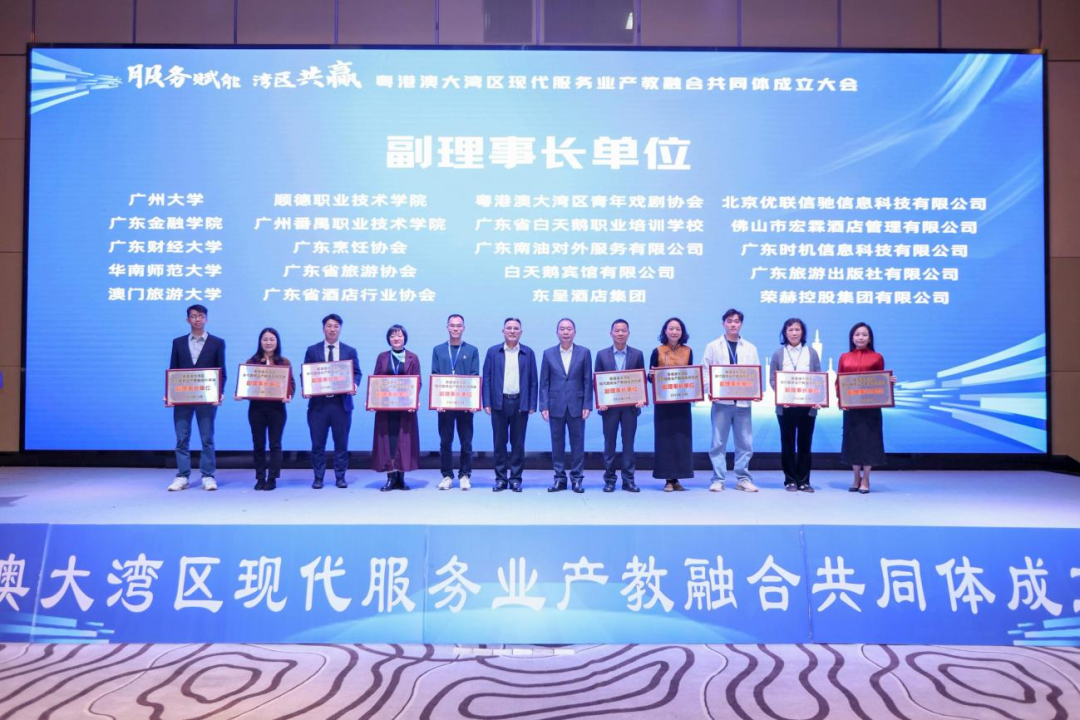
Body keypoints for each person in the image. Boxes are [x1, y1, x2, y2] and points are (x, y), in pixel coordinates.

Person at [167, 304, 226, 492]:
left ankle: (208, 476)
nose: (197, 319)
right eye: (193, 316)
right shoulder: (178, 342)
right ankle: (182, 476)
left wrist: (219, 393)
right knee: (181, 439)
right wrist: (169, 394)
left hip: (207, 398)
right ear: (188, 320)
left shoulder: (217, 342)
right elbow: (173, 371)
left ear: (206, 319)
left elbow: (221, 372)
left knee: (207, 438)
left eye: (201, 316)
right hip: (183, 398)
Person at [702, 308, 761, 493]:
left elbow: (755, 373)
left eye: (736, 321)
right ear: (723, 324)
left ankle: (743, 479)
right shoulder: (713, 346)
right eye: (729, 321)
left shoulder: (750, 348)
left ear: (741, 324)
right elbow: (705, 372)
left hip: (743, 403)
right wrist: (711, 391)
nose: (733, 324)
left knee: (745, 443)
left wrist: (756, 391)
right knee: (718, 443)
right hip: (721, 403)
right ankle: (718, 479)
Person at [303, 313, 361, 489]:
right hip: (318, 406)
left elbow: (357, 373)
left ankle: (340, 477)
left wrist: (354, 385)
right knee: (317, 444)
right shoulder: (312, 350)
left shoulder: (349, 351)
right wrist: (307, 387)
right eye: (329, 326)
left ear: (340, 329)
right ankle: (318, 478)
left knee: (341, 443)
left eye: (336, 326)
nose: (332, 329)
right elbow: (306, 373)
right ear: (323, 329)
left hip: (341, 405)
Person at [481, 317, 538, 493]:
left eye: (515, 328)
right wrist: (487, 402)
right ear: (503, 331)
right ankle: (500, 479)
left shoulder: (528, 353)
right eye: (509, 328)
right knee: (499, 443)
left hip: (520, 403)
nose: (512, 331)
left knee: (518, 444)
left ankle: (515, 479)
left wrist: (532, 403)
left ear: (521, 332)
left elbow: (533, 380)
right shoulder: (493, 352)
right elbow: (487, 378)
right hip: (499, 402)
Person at [837, 322, 893, 494]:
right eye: (857, 334)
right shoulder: (844, 357)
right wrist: (841, 401)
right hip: (851, 407)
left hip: (871, 408)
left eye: (864, 334)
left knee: (869, 441)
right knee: (853, 441)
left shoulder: (877, 357)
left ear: (869, 338)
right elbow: (839, 380)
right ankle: (856, 477)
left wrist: (888, 382)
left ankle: (866, 478)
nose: (860, 337)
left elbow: (880, 380)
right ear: (852, 338)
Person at [540, 318, 593, 494]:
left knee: (577, 444)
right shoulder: (548, 353)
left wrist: (587, 404)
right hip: (555, 405)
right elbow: (544, 382)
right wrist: (544, 405)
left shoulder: (584, 352)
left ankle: (577, 479)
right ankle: (559, 479)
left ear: (574, 332)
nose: (565, 332)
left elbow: (587, 380)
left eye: (569, 329)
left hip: (577, 405)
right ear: (557, 332)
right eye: (562, 329)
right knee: (557, 444)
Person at [769, 318, 821, 493]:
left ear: (803, 332)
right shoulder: (778, 354)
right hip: (786, 407)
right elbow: (773, 379)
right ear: (785, 333)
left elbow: (818, 378)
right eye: (790, 330)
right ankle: (790, 480)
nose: (794, 333)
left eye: (797, 329)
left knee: (805, 443)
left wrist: (817, 397)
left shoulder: (811, 353)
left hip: (808, 407)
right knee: (788, 443)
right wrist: (782, 395)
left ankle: (804, 481)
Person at [594, 319, 645, 492]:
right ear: (611, 334)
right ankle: (609, 480)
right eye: (617, 330)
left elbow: (640, 379)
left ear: (628, 333)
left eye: (624, 330)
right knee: (609, 444)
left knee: (628, 444)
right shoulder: (602, 355)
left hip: (630, 408)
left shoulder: (637, 354)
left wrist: (641, 398)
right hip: (609, 409)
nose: (620, 333)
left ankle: (628, 480)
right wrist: (600, 401)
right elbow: (597, 380)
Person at [431, 314, 480, 491]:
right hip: (444, 403)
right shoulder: (438, 349)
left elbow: (474, 376)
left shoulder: (472, 350)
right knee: (445, 441)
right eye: (452, 325)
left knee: (466, 441)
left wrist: (473, 400)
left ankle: (465, 475)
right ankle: (447, 476)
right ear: (447, 328)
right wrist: (437, 399)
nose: (455, 328)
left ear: (463, 328)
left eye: (459, 326)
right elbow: (435, 374)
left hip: (465, 403)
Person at [371, 324, 421, 491]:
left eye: (399, 335)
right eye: (393, 336)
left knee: (404, 442)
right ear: (389, 339)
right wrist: (372, 400)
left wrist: (414, 400)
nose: (396, 338)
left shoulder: (413, 357)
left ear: (405, 338)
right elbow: (376, 380)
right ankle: (390, 477)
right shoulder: (382, 357)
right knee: (389, 441)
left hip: (405, 409)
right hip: (386, 408)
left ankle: (401, 478)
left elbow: (417, 382)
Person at [244, 327, 295, 491]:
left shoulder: (284, 362)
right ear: (260, 342)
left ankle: (272, 478)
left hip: (277, 409)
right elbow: (246, 383)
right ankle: (260, 478)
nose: (268, 342)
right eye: (265, 339)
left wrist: (288, 395)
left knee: (275, 444)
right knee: (258, 444)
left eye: (272, 339)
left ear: (277, 342)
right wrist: (241, 393)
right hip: (256, 408)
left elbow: (291, 384)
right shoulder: (251, 362)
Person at [649, 317, 694, 492]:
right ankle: (668, 479)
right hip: (663, 404)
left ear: (682, 332)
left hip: (682, 402)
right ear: (665, 331)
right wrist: (651, 375)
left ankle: (677, 479)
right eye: (671, 328)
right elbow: (650, 376)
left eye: (678, 329)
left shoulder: (688, 351)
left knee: (681, 440)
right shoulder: (657, 351)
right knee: (665, 440)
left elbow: (692, 375)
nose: (674, 332)